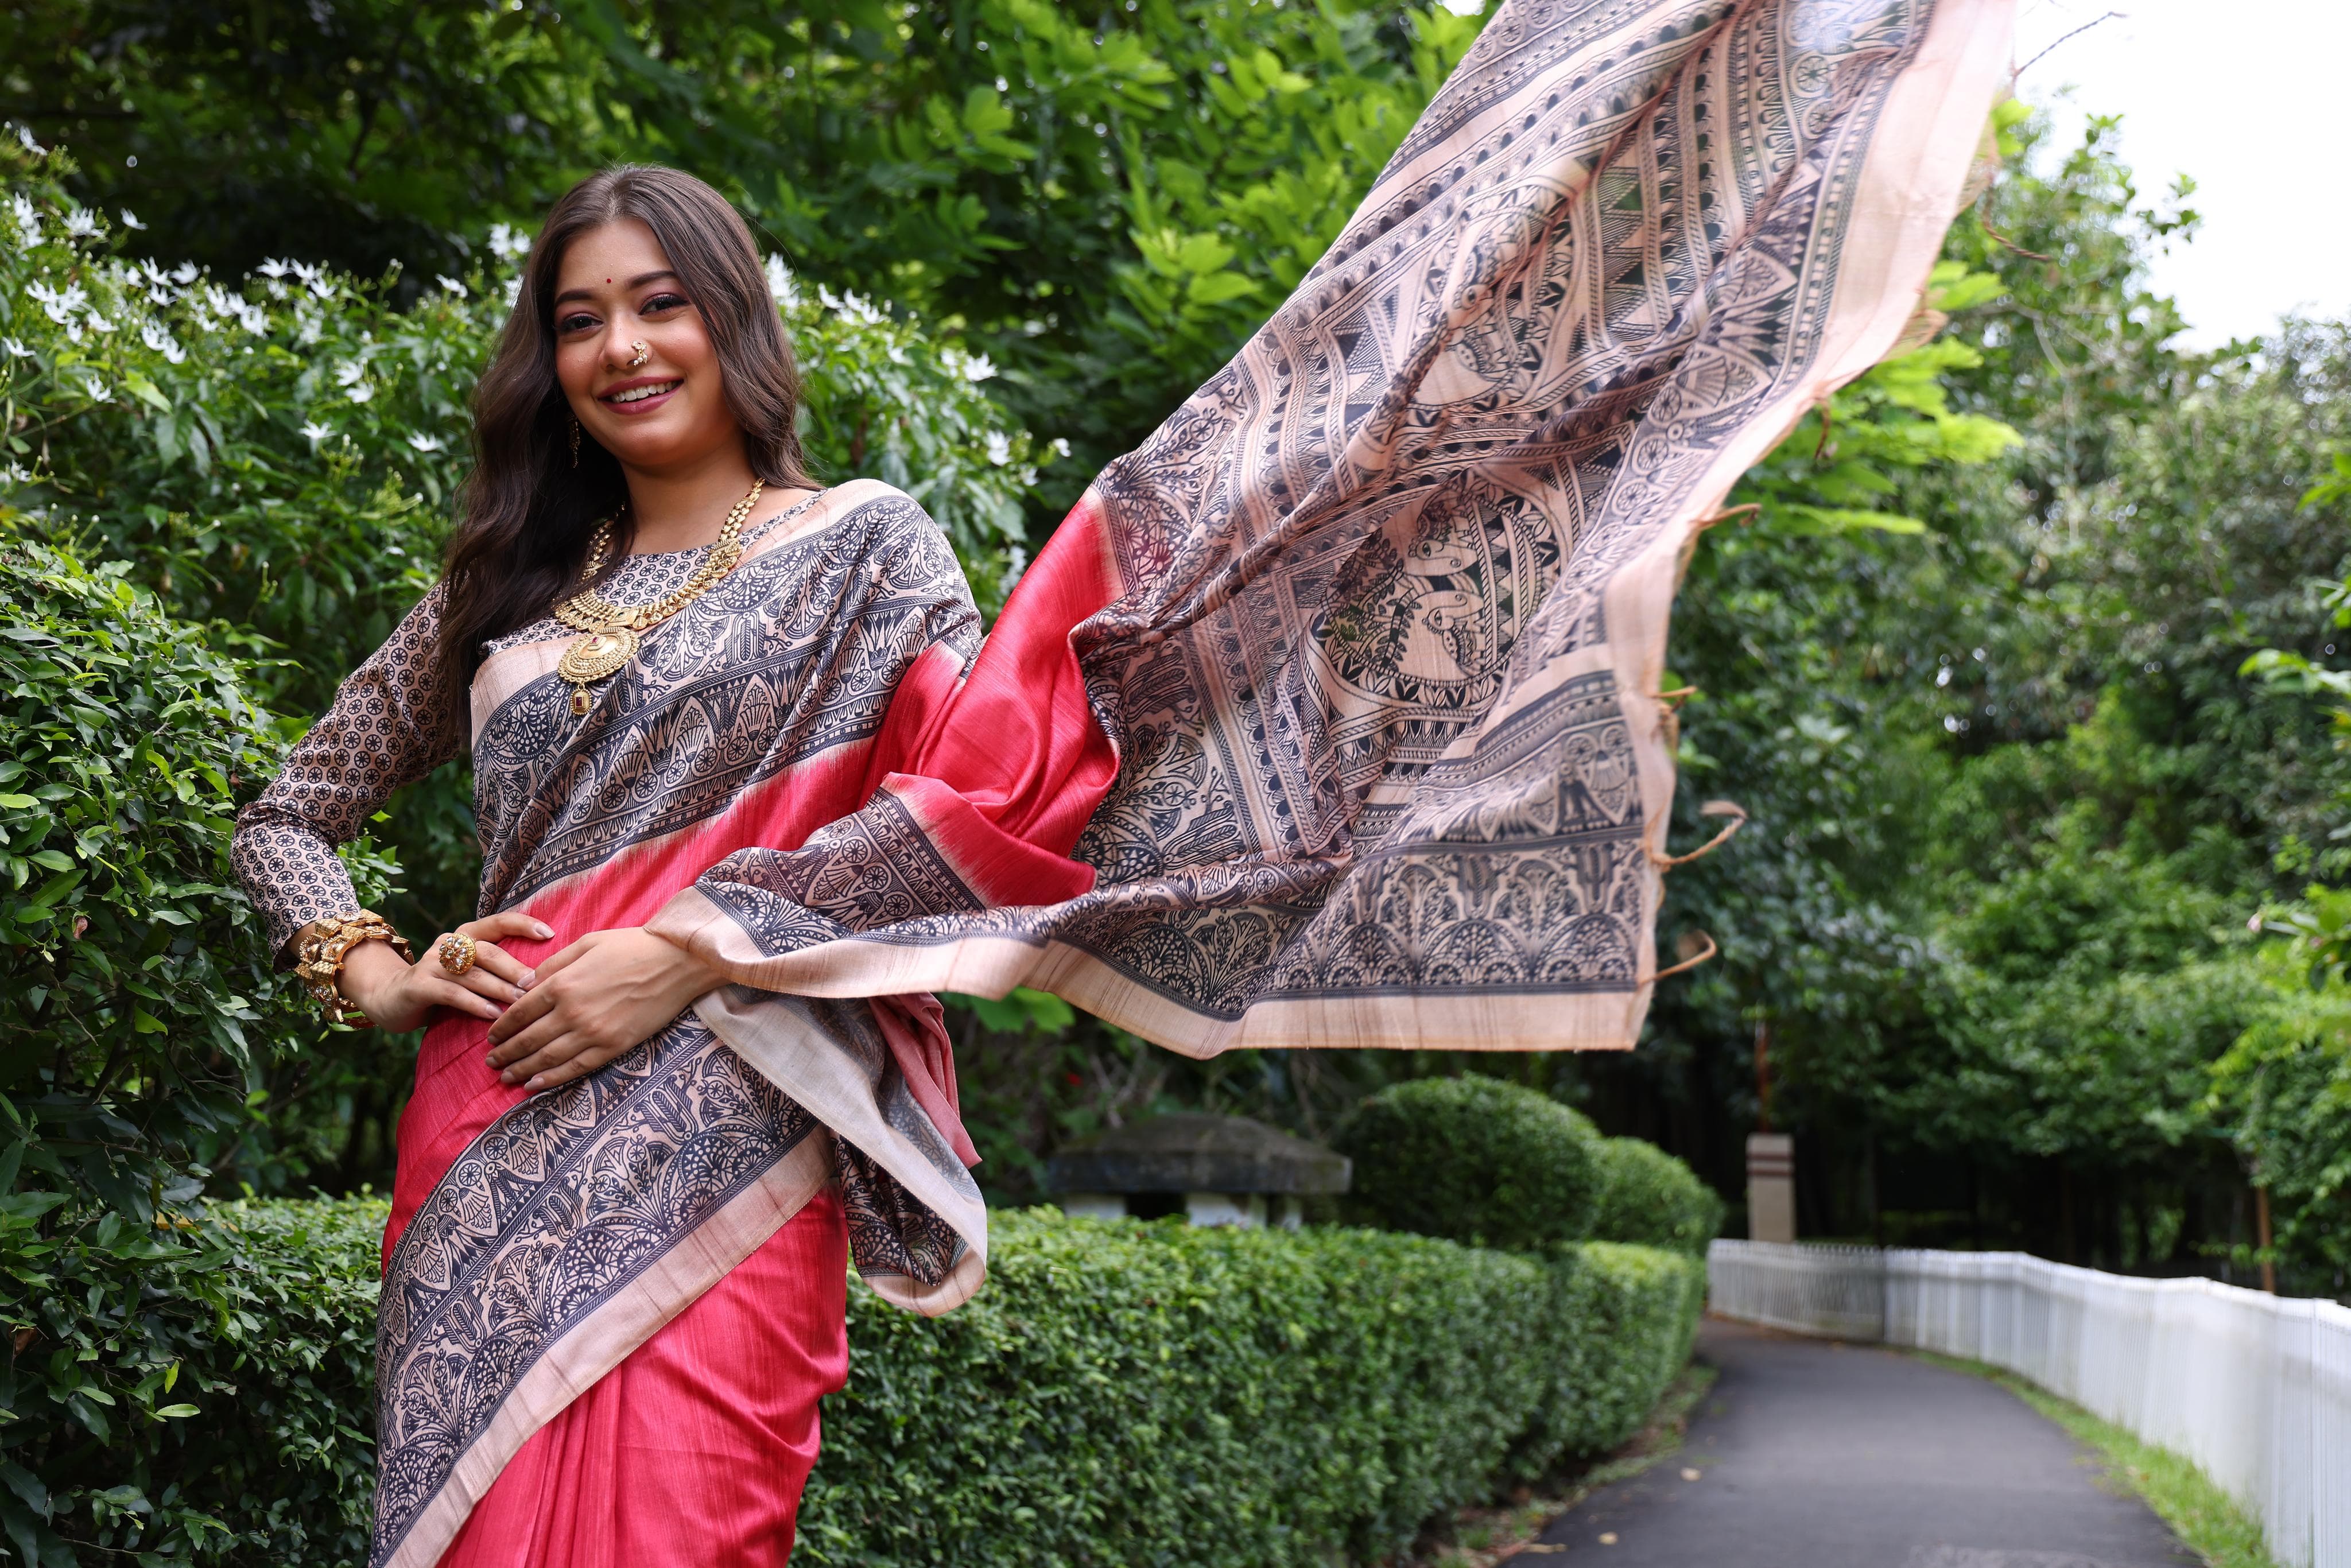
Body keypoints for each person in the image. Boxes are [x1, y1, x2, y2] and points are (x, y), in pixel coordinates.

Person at [233, 0, 2008, 1560]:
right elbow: (287, 812)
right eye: (579, 320)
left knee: (696, 1529)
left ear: (733, 322)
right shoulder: (503, 588)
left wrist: (690, 945)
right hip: (484, 1142)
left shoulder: (866, 547)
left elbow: (975, 805)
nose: (622, 348)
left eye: (661, 305)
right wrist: (378, 972)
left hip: (725, 1143)